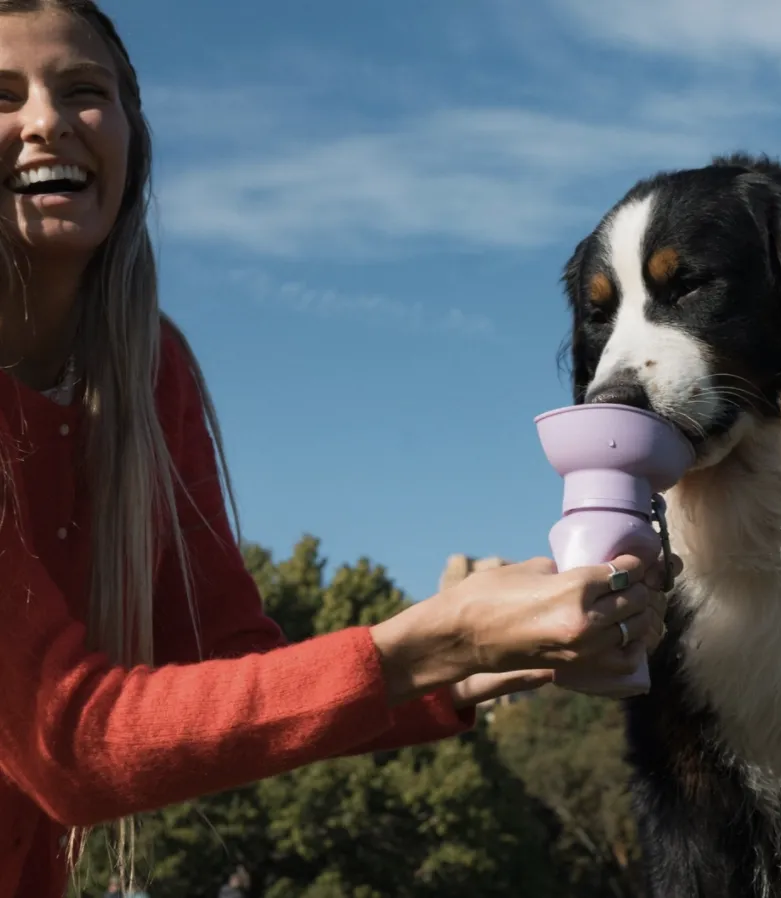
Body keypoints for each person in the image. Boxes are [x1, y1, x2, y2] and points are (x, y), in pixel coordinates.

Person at [0, 4, 673, 898]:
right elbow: (74, 746)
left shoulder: (147, 371)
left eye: (85, 90)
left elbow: (228, 671)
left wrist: (478, 660)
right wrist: (430, 644)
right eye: (5, 97)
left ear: (132, 136)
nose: (48, 120)